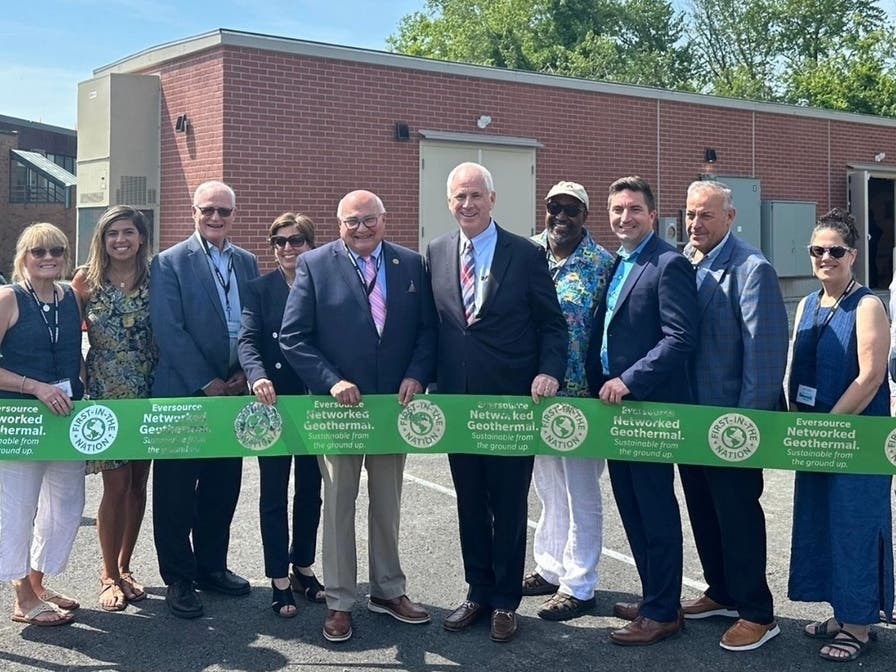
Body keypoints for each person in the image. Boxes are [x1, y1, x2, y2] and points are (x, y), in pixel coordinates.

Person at [279, 190, 436, 643]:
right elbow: (293, 337)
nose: (362, 229)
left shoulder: (411, 264)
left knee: (387, 504)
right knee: (339, 505)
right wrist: (330, 381)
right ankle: (340, 601)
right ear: (338, 225)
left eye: (370, 220)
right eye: (352, 222)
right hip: (338, 409)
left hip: (393, 407)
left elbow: (427, 330)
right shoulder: (315, 264)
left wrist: (417, 375)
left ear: (384, 221)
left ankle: (388, 590)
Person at [427, 162, 567, 643]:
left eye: (475, 196)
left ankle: (506, 600)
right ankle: (477, 591)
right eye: (458, 197)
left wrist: (549, 369)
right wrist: (421, 379)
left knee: (508, 504)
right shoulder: (438, 251)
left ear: (492, 199)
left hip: (511, 403)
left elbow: (552, 323)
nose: (467, 204)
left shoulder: (526, 254)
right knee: (469, 503)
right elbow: (436, 328)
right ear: (449, 202)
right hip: (459, 405)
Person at [584, 176, 698, 646]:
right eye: (616, 210)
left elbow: (679, 338)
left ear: (653, 215)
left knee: (654, 510)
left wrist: (628, 381)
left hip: (647, 409)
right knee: (630, 505)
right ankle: (656, 596)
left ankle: (662, 613)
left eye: (634, 209)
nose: (624, 217)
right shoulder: (619, 263)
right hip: (615, 412)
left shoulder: (667, 263)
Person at [677, 180, 788, 650]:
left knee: (738, 516)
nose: (696, 224)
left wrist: (745, 428)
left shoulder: (751, 269)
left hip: (730, 427)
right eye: (690, 214)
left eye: (706, 215)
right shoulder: (686, 260)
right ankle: (720, 591)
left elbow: (763, 359)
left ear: (730, 217)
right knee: (703, 510)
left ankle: (757, 613)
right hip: (691, 421)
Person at [787, 208, 894, 662]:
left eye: (835, 250)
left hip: (855, 438)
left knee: (855, 525)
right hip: (816, 435)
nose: (825, 257)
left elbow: (870, 377)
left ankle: (859, 625)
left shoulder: (868, 305)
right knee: (822, 523)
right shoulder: (810, 303)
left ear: (852, 255)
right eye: (818, 250)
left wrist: (827, 425)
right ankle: (842, 610)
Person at [149, 180, 260, 618]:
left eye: (224, 211)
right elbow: (169, 330)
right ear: (193, 211)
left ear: (235, 214)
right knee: (176, 490)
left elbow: (256, 320)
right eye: (208, 210)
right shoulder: (170, 262)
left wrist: (242, 375)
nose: (216, 218)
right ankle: (179, 577)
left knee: (222, 484)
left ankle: (212, 566)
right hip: (186, 393)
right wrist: (207, 382)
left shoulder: (248, 262)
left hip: (234, 392)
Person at [522, 181, 613, 621]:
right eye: (554, 207)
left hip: (582, 397)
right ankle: (549, 566)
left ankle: (580, 584)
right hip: (538, 394)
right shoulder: (527, 254)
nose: (561, 216)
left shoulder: (602, 264)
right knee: (548, 488)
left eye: (571, 209)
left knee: (581, 491)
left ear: (585, 215)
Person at [237, 212, 324, 618]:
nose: (288, 248)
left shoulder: (325, 283)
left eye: (296, 241)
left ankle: (303, 565)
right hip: (272, 402)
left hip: (315, 403)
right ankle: (278, 577)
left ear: (310, 244)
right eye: (280, 242)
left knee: (310, 490)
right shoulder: (259, 289)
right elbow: (249, 340)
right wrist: (255, 376)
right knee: (273, 492)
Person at [71, 206, 157, 613]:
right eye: (112, 234)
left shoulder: (159, 278)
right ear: (102, 240)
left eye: (128, 232)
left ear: (141, 237)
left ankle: (125, 566)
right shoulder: (84, 282)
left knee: (139, 483)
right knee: (116, 486)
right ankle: (107, 574)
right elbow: (66, 344)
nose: (120, 240)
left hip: (150, 391)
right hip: (106, 393)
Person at [0, 223, 85, 626]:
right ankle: (20, 595)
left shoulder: (69, 297)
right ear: (24, 257)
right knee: (17, 507)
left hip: (66, 418)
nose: (48, 257)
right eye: (39, 251)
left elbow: (74, 354)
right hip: (20, 421)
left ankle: (37, 581)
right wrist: (32, 386)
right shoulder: (9, 298)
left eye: (56, 250)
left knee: (65, 505)